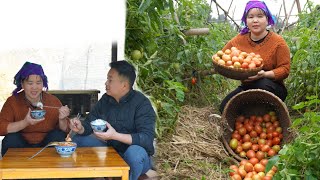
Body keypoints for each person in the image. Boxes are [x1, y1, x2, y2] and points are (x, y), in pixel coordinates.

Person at [69, 60, 156, 180]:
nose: (106, 83)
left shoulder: (142, 103)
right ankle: (92, 175)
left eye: (110, 80)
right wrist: (80, 128)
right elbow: (90, 123)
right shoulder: (106, 99)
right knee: (78, 140)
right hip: (112, 152)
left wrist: (114, 135)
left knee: (134, 153)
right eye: (107, 79)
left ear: (124, 85)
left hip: (138, 156)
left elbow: (146, 139)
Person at [219, 0, 290, 113]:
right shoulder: (239, 40)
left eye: (260, 16)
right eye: (250, 17)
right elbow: (222, 57)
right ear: (246, 20)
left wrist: (264, 74)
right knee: (224, 107)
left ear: (267, 19)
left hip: (272, 87)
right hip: (247, 86)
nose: (255, 20)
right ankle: (252, 114)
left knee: (260, 84)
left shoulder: (278, 42)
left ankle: (263, 111)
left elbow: (285, 70)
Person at [0, 62, 70, 156]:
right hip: (21, 144)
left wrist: (62, 119)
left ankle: (52, 169)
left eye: (38, 83)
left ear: (43, 83)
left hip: (46, 145)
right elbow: (1, 127)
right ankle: (13, 170)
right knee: (11, 139)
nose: (34, 87)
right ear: (22, 84)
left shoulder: (52, 101)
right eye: (30, 83)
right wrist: (25, 123)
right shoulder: (12, 102)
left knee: (58, 136)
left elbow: (66, 129)